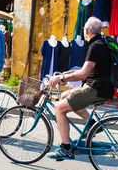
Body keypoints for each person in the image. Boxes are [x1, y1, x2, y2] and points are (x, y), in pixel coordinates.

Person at [47, 16, 113, 160]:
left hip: (96, 88)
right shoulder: (100, 43)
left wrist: (61, 78)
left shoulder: (95, 46)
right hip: (101, 87)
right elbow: (87, 69)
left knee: (59, 108)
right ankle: (92, 124)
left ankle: (65, 149)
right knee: (65, 97)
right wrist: (66, 74)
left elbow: (83, 74)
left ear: (86, 30)